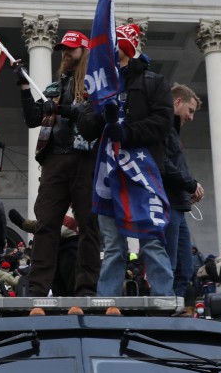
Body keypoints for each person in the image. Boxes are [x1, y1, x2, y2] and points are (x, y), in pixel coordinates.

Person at [80, 25, 173, 296]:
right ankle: (107, 301)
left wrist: (127, 132)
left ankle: (164, 299)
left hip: (143, 171)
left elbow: (162, 122)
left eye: (113, 45)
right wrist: (101, 116)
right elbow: (85, 126)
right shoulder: (99, 84)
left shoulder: (153, 81)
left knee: (151, 240)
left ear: (125, 48)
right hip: (109, 173)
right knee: (112, 245)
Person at [14, 31, 101, 297]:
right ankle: (39, 289)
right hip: (54, 159)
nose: (65, 53)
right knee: (46, 225)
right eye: (63, 49)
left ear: (84, 52)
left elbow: (91, 118)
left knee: (88, 225)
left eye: (71, 49)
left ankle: (86, 288)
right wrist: (25, 87)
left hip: (84, 159)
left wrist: (61, 109)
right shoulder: (55, 87)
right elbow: (33, 118)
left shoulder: (93, 85)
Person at [163, 83, 205, 298]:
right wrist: (190, 185)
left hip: (178, 205)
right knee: (169, 264)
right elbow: (164, 165)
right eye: (190, 110)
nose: (191, 117)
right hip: (168, 205)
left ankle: (174, 307)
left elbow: (176, 168)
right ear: (177, 102)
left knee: (185, 268)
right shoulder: (163, 127)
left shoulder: (174, 132)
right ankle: (163, 309)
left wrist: (190, 187)